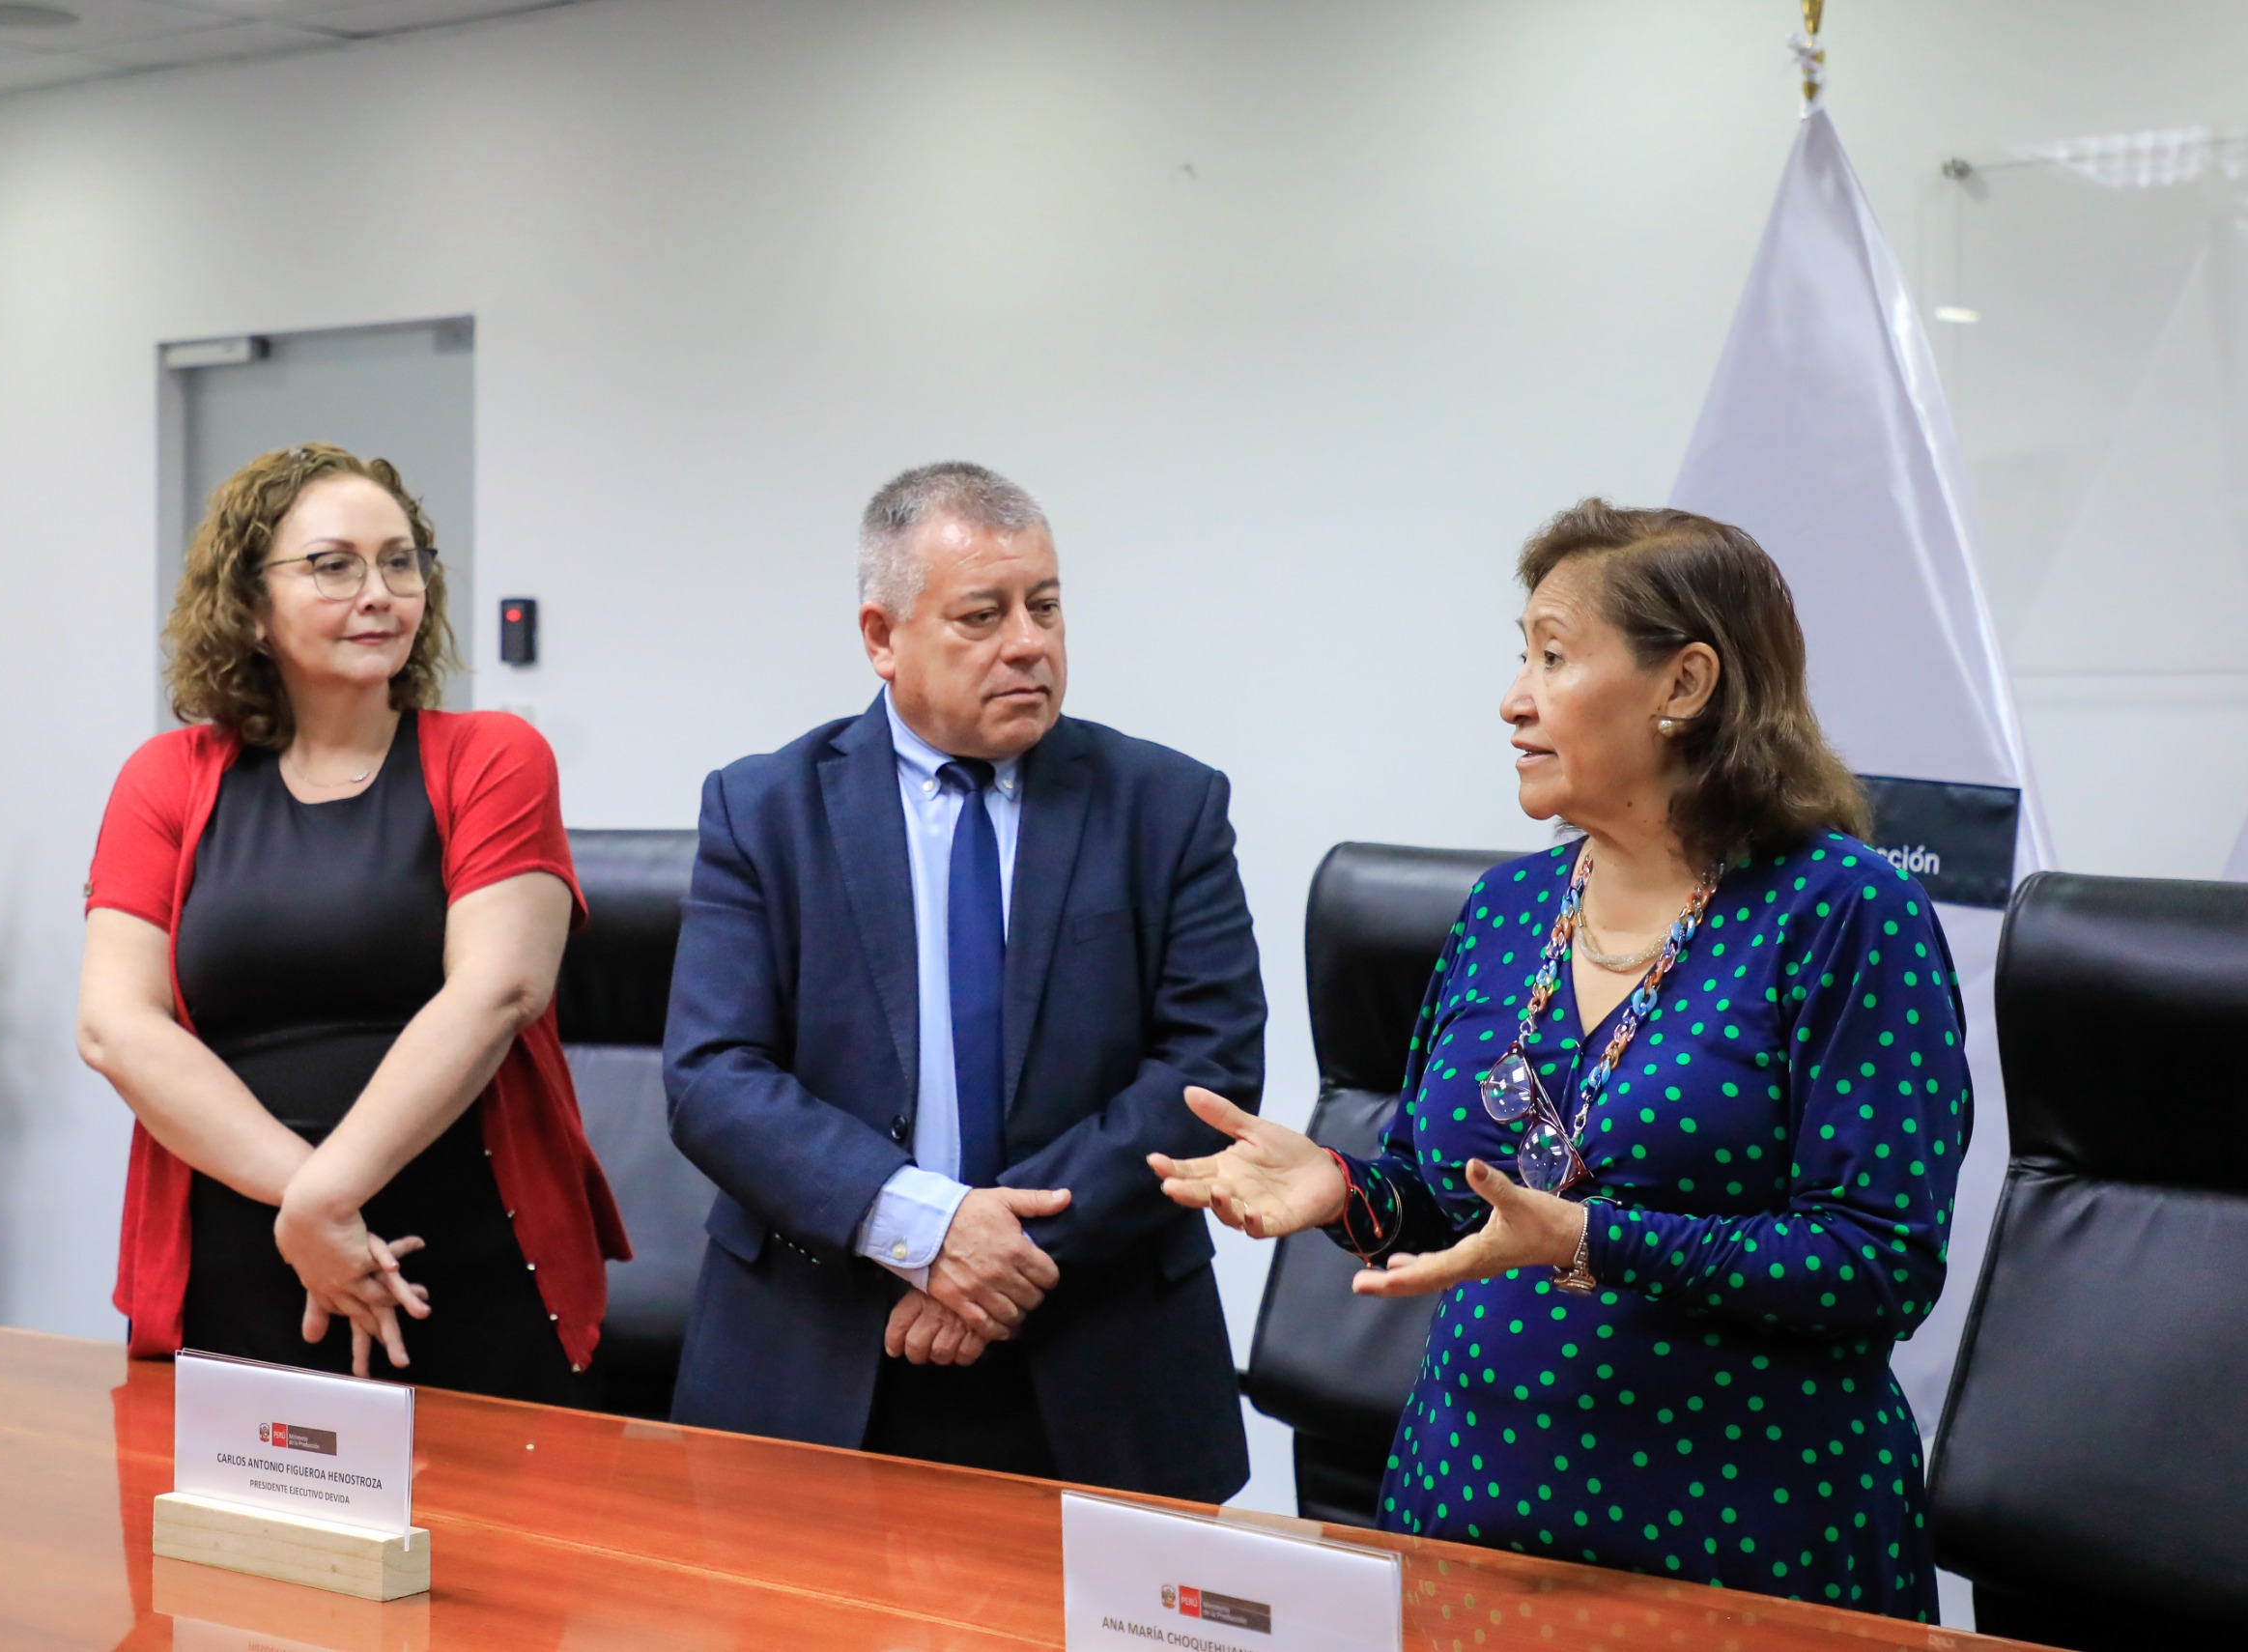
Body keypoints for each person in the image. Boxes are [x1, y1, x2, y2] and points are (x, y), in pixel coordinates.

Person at [1151, 500, 1968, 1620]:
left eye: (1552, 655)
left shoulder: (1842, 912)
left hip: (1737, 1539)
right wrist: (1342, 1188)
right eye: (1521, 655)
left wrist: (1592, 1240)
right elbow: (1449, 1204)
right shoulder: (1505, 908)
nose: (1513, 698)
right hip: (1468, 1510)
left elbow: (1877, 1264)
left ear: (1684, 684)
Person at [665, 461, 1266, 1498]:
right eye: (983, 616)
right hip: (820, 1351)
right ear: (881, 637)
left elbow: (1207, 1068)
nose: (1028, 643)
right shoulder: (765, 810)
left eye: (1045, 606)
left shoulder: (1165, 806)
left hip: (1097, 1349)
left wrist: (998, 1257)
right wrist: (924, 1227)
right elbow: (713, 1076)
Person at [77, 443, 628, 1403]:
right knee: (221, 1508)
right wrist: (314, 1208)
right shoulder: (167, 778)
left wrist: (327, 1199)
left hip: (465, 1259)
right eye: (334, 566)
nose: (379, 593)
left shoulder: (493, 757)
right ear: (250, 605)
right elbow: (115, 1026)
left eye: (400, 561)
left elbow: (499, 989)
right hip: (237, 1261)